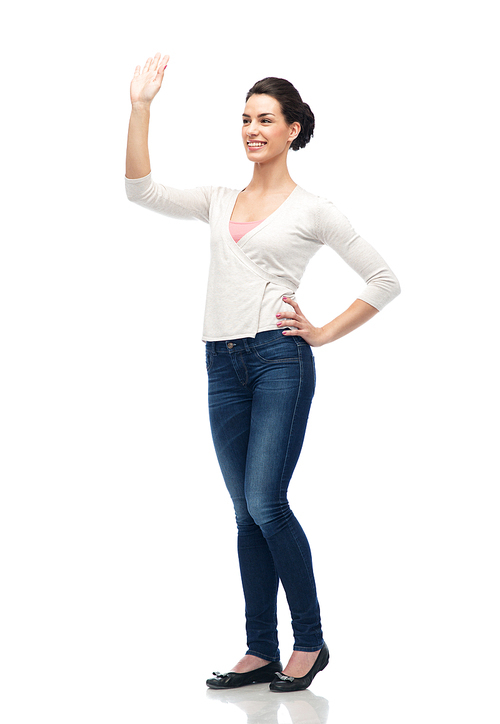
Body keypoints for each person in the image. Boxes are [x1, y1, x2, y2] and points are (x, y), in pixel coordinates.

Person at [125, 53, 400, 692]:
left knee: (266, 503)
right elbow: (140, 188)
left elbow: (384, 279)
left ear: (293, 130)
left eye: (266, 119)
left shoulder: (316, 209)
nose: (252, 129)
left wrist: (324, 332)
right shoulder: (220, 200)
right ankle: (259, 648)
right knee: (245, 514)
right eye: (245, 119)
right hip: (220, 363)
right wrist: (141, 106)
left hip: (278, 360)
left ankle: (309, 641)